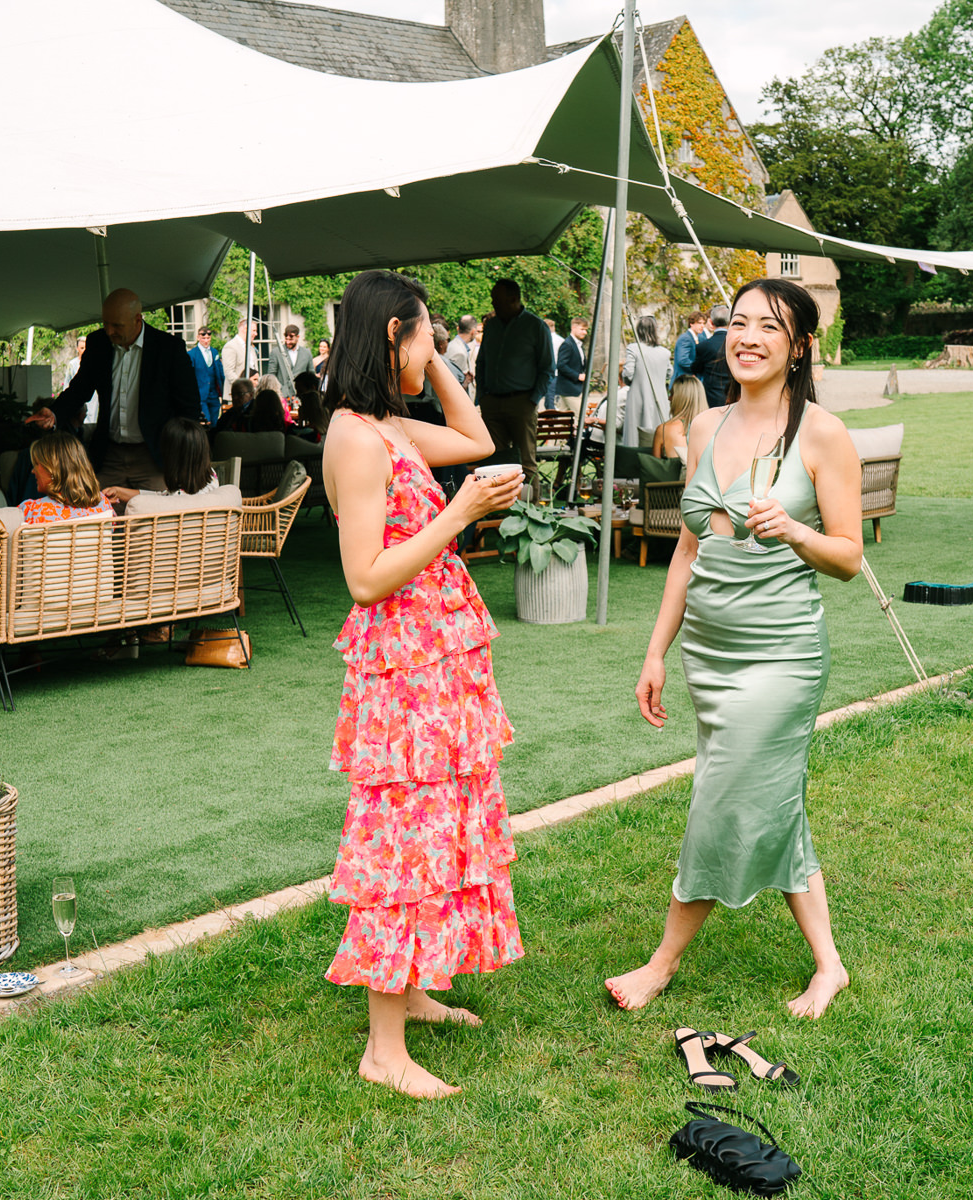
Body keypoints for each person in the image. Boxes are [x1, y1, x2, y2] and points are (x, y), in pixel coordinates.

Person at [608, 278, 861, 1021]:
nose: (746, 337)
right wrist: (656, 653)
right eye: (737, 323)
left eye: (768, 327)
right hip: (709, 656)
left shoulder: (822, 434)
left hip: (781, 653)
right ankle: (829, 964)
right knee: (772, 799)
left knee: (724, 798)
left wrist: (795, 530)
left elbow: (847, 556)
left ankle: (662, 962)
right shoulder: (706, 427)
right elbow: (687, 552)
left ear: (800, 345)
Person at [319, 268, 526, 1100]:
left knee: (439, 829)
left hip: (436, 663)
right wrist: (458, 516)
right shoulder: (354, 438)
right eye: (426, 331)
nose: (438, 343)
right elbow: (364, 578)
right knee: (401, 843)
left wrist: (434, 358)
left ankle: (409, 992)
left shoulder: (389, 424)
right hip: (401, 670)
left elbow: (474, 439)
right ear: (391, 334)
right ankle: (383, 1049)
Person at [30, 288, 198, 491]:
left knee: (157, 517)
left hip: (154, 455)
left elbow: (189, 407)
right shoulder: (98, 343)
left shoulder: (168, 348)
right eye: (105, 323)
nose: (110, 331)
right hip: (109, 454)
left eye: (117, 325)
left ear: (137, 319)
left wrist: (183, 457)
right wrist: (55, 412)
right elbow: (80, 388)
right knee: (93, 512)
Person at [474, 278, 554, 500]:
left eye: (497, 300)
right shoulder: (491, 326)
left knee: (526, 462)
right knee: (495, 461)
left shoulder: (535, 326)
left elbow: (548, 368)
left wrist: (532, 400)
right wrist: (483, 396)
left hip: (522, 402)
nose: (493, 304)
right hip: (492, 403)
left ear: (513, 299)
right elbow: (482, 362)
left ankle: (532, 513)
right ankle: (500, 512)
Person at [107, 416, 221, 504]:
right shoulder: (210, 479)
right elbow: (162, 496)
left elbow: (160, 501)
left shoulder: (175, 503)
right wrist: (119, 492)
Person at [18, 431, 114, 524]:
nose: (33, 471)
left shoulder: (31, 511)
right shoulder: (104, 505)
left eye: (36, 464)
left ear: (52, 469)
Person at [621, 315, 673, 449]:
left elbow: (628, 374)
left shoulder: (633, 348)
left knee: (635, 436)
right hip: (660, 398)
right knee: (658, 431)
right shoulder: (664, 352)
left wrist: (629, 380)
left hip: (638, 397)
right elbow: (669, 373)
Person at [652, 376, 705, 464]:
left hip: (674, 478)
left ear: (680, 398)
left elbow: (654, 468)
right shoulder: (713, 427)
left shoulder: (664, 429)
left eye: (671, 394)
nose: (669, 399)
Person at [691, 305, 733, 407]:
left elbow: (695, 368)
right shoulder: (737, 344)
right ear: (730, 322)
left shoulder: (703, 346)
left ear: (711, 322)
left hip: (711, 398)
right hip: (733, 395)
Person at [267, 324, 313, 403]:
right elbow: (271, 376)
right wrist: (277, 394)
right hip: (282, 396)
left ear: (297, 337)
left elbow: (311, 376)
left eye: (291, 339)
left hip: (301, 397)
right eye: (286, 339)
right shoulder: (276, 352)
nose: (288, 342)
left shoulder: (307, 353)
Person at [189, 323, 225, 425]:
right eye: (203, 338)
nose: (206, 340)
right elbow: (190, 377)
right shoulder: (192, 354)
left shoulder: (214, 352)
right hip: (201, 394)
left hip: (214, 394)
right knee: (206, 422)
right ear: (198, 337)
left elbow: (220, 371)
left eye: (208, 338)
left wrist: (223, 389)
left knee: (215, 422)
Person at [554, 318, 588, 414]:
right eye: (582, 329)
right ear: (573, 327)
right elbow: (561, 365)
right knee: (581, 417)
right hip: (570, 389)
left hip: (572, 388)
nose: (585, 332)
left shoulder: (578, 345)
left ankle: (556, 429)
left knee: (563, 418)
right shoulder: (567, 344)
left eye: (586, 330)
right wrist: (578, 376)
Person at [445, 316, 478, 397]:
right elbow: (455, 385)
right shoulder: (459, 352)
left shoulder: (453, 345)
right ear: (473, 331)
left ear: (458, 328)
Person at [222, 319, 255, 393]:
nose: (256, 333)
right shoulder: (230, 346)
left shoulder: (251, 348)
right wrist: (244, 387)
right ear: (245, 329)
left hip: (250, 394)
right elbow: (229, 372)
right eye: (254, 330)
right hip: (236, 395)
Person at [674, 311, 707, 381]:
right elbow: (683, 360)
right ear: (691, 324)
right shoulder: (685, 338)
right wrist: (698, 368)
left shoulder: (700, 338)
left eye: (703, 323)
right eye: (699, 323)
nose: (702, 326)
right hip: (683, 380)